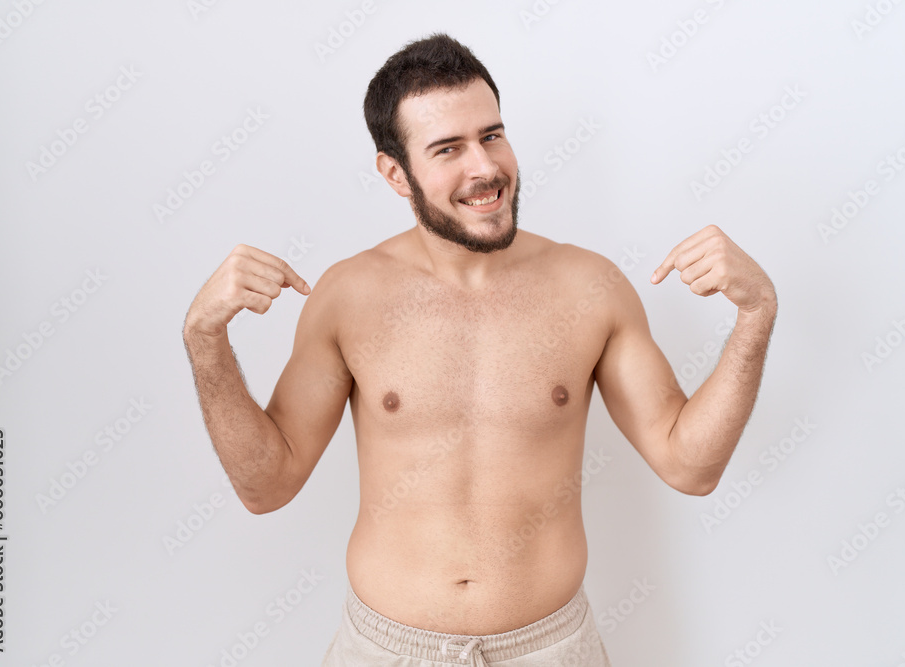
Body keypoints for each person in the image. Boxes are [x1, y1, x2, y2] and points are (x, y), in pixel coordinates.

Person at [182, 33, 777, 666]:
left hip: (548, 649)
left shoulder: (590, 287)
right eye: (447, 149)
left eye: (492, 135)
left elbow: (691, 466)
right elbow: (267, 486)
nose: (485, 168)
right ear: (395, 173)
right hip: (386, 651)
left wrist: (756, 316)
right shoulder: (349, 296)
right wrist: (204, 342)